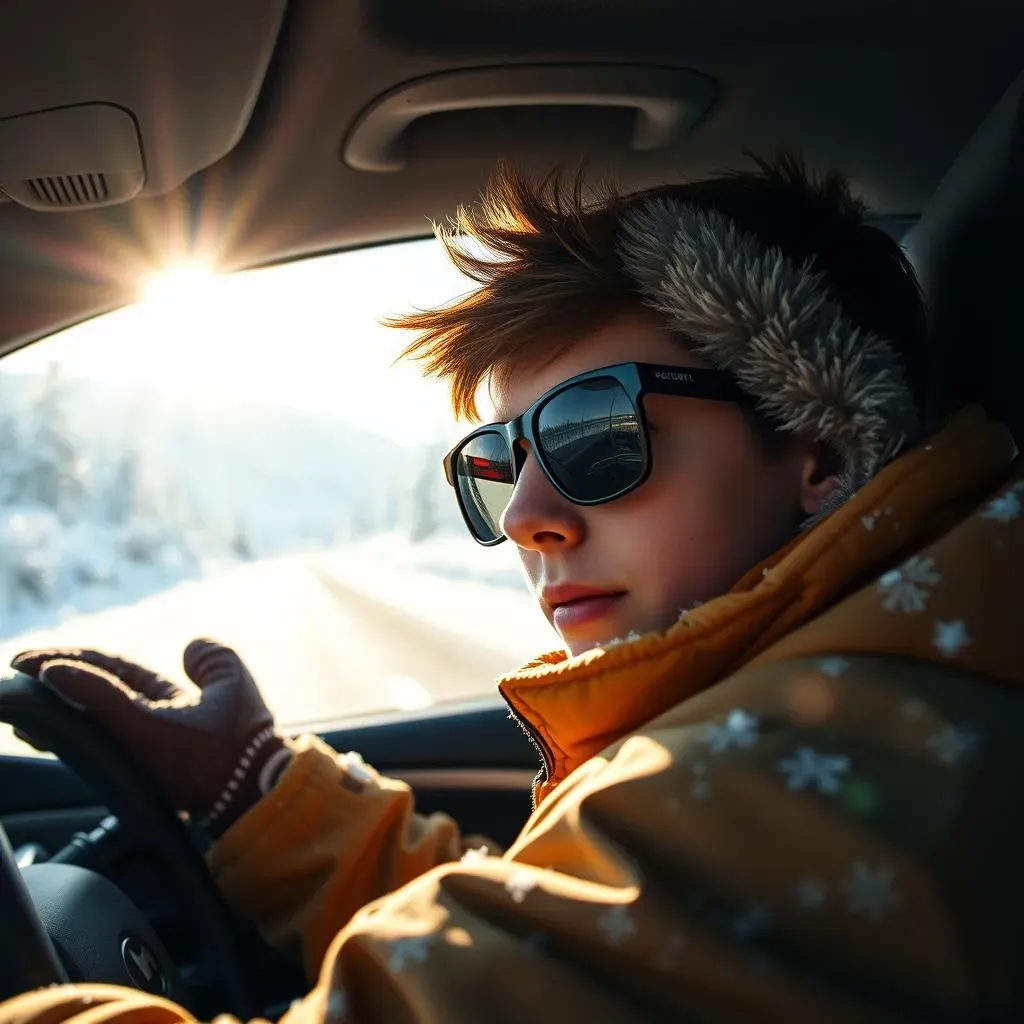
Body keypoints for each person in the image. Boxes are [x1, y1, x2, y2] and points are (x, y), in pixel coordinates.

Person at [2, 155, 1021, 1024]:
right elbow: (560, 937)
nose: (528, 512)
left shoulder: (841, 757)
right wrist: (258, 788)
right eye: (496, 459)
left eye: (594, 435)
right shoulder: (848, 701)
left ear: (819, 447)